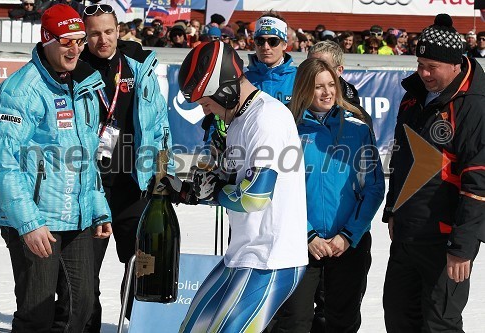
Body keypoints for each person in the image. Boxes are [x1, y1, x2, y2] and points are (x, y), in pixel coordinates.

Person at [161, 41, 308, 332]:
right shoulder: (238, 119)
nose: (204, 109)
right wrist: (192, 190)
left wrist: (214, 190)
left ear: (224, 89)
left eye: (205, 101)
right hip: (242, 253)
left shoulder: (267, 119)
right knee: (193, 329)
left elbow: (255, 197)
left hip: (270, 260)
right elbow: (233, 180)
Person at [0, 4, 112, 332]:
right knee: (36, 314)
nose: (76, 49)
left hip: (78, 217)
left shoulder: (82, 83)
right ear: (46, 40)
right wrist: (28, 224)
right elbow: (2, 163)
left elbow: (86, 154)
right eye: (67, 41)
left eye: (80, 41)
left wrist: (98, 208)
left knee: (81, 307)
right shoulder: (20, 90)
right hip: (37, 219)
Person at [383, 14, 485, 333]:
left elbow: (479, 181)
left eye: (431, 66)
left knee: (439, 324)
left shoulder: (474, 105)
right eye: (420, 63)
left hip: (445, 242)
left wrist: (462, 247)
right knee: (399, 318)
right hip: (407, 233)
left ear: (455, 64)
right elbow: (402, 161)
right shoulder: (412, 97)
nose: (423, 72)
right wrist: (392, 210)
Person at [269, 57, 385, 333]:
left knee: (340, 323)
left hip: (347, 245)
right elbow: (276, 190)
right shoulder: (287, 130)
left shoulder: (357, 129)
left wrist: (348, 235)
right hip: (299, 246)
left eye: (331, 84)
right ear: (303, 89)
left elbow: (374, 187)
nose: (327, 92)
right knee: (293, 323)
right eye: (318, 86)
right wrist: (307, 235)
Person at [80, 4, 172, 331]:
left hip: (134, 186)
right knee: (83, 279)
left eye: (108, 31)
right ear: (84, 35)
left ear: (118, 30)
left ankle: (131, 325)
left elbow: (159, 123)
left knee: (142, 268)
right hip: (89, 191)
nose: (102, 39)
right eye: (94, 33)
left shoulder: (138, 65)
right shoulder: (74, 68)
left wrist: (163, 171)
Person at [308, 40, 373, 129]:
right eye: (311, 66)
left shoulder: (358, 118)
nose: (316, 71)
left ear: (339, 70)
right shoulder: (292, 111)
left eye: (324, 67)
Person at [245, 10, 296, 104]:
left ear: (284, 44)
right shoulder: (243, 79)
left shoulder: (299, 78)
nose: (266, 47)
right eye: (260, 41)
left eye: (273, 41)